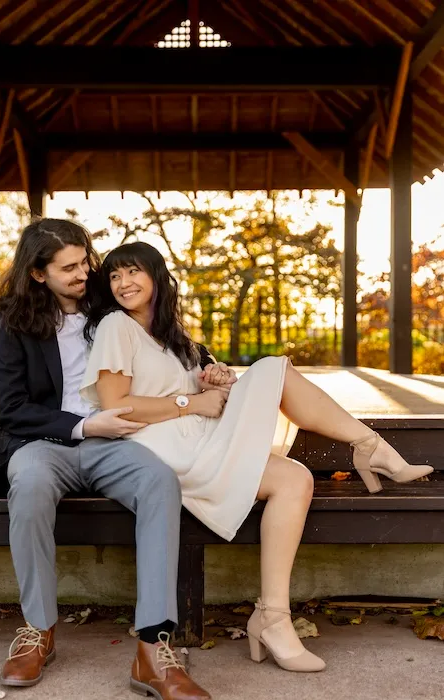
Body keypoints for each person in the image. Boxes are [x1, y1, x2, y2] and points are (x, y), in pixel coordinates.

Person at [81, 241, 434, 677]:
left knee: (295, 479)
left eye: (132, 272)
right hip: (165, 453)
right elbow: (115, 406)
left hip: (199, 439)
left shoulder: (173, 337)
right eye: (114, 276)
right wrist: (190, 402)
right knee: (274, 369)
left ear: (156, 275)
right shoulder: (117, 325)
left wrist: (218, 379)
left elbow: (202, 392)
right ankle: (371, 448)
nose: (122, 283)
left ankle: (272, 617)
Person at [0, 219, 212, 699]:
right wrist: (86, 425)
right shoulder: (12, 321)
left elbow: (165, 332)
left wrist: (209, 367)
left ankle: (152, 650)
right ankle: (38, 632)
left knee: (159, 481)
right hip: (47, 445)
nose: (84, 272)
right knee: (25, 485)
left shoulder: (107, 303)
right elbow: (11, 410)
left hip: (118, 445)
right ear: (37, 273)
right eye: (69, 267)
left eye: (86, 261)